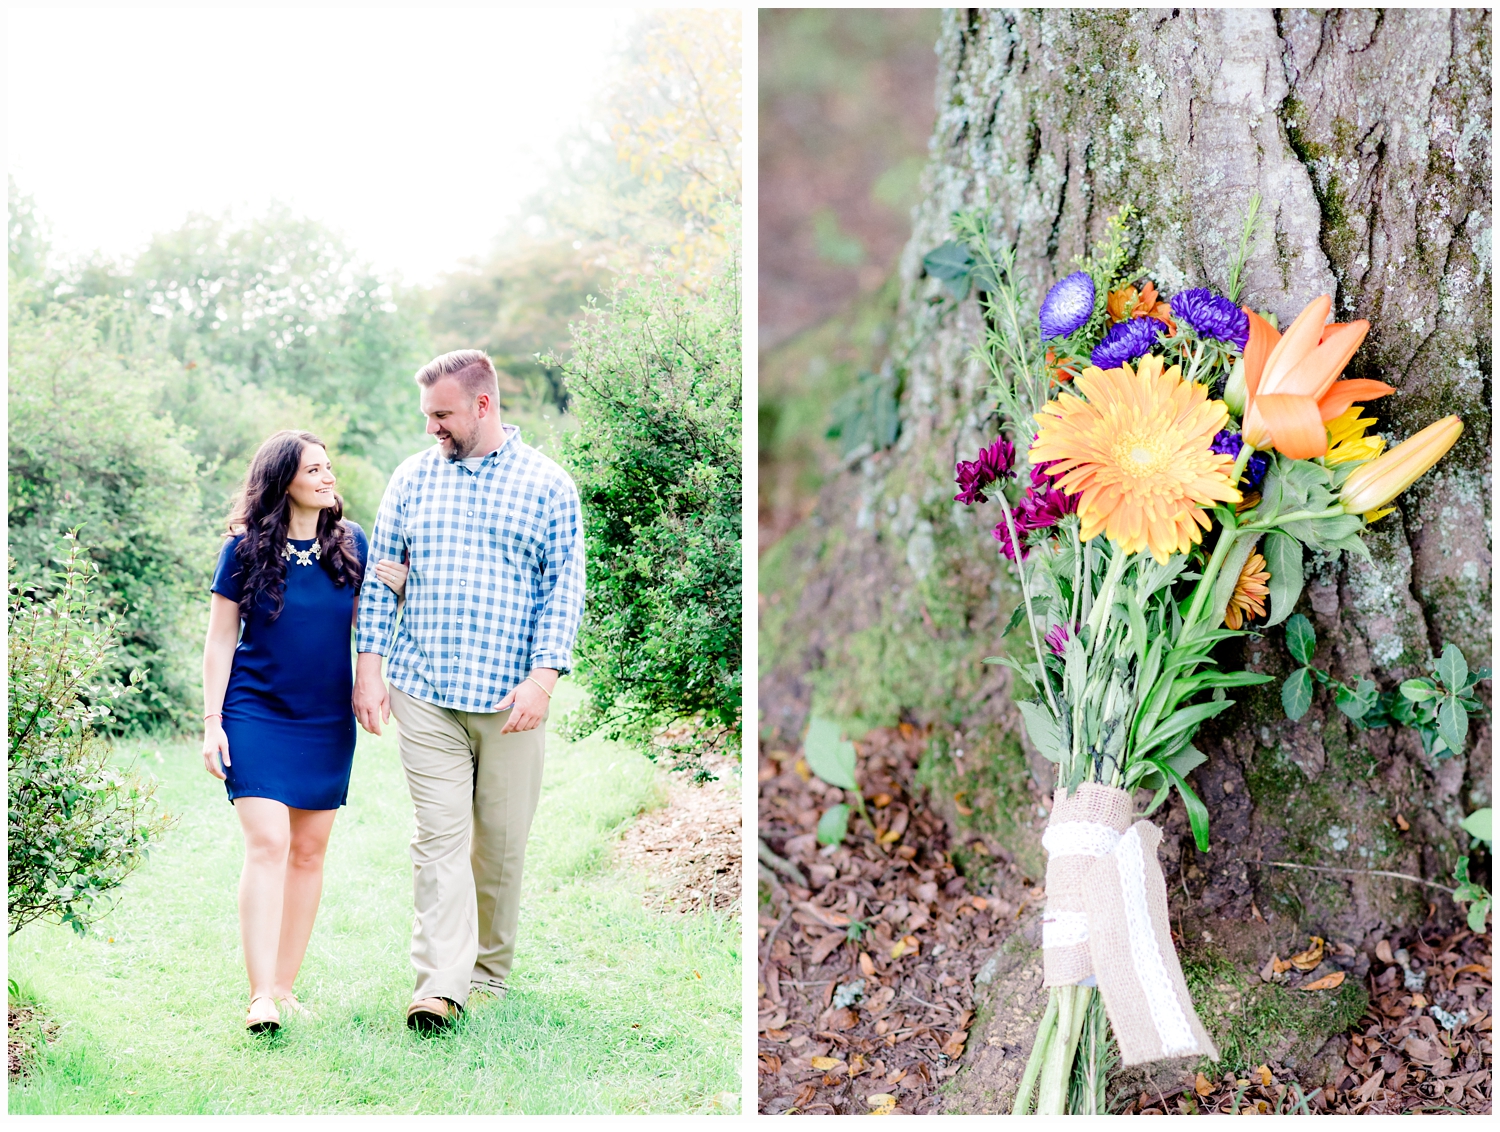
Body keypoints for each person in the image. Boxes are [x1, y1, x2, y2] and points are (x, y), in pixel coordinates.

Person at [353, 349, 585, 1032]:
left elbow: (562, 590)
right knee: (439, 838)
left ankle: (489, 973)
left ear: (483, 405)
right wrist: (370, 666)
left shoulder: (548, 487)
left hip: (511, 698)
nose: (432, 429)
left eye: (442, 415)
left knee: (501, 844)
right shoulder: (412, 479)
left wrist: (543, 679)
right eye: (427, 415)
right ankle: (439, 985)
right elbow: (382, 577)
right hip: (424, 688)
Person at [201, 430, 405, 1032]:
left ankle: (284, 988)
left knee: (310, 853)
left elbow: (384, 606)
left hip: (324, 719)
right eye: (314, 468)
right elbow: (219, 640)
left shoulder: (352, 544)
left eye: (328, 467)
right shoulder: (242, 551)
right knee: (268, 843)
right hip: (255, 711)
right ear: (283, 478)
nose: (327, 476)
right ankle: (259, 995)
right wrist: (212, 721)